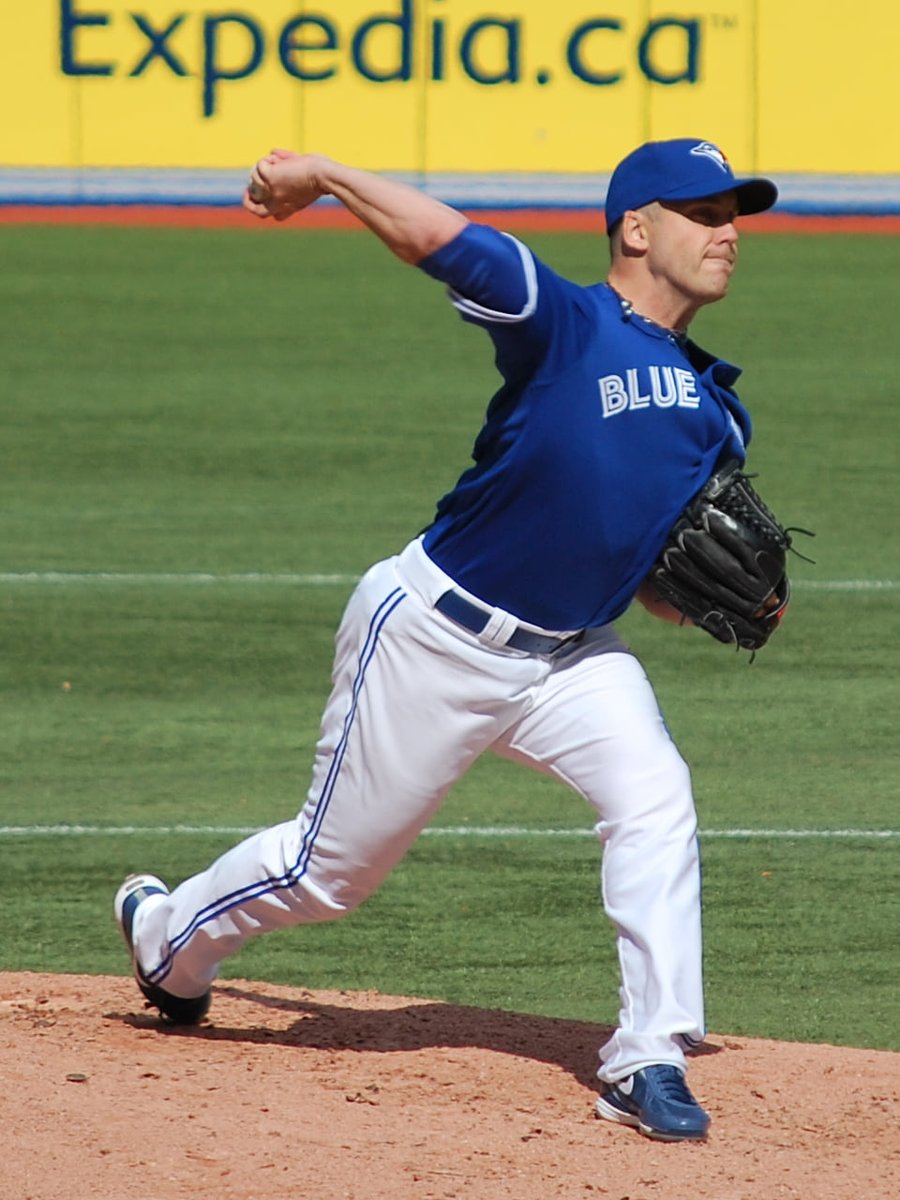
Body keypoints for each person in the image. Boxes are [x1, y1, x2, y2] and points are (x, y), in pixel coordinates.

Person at [115, 138, 778, 1143]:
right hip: (435, 635)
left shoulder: (716, 413)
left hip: (570, 658)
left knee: (656, 800)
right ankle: (167, 941)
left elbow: (657, 592)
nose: (727, 233)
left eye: (734, 215)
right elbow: (442, 238)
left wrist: (719, 602)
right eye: (704, 213)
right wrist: (326, 176)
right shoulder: (568, 325)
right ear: (637, 230)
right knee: (328, 875)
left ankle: (648, 1056)